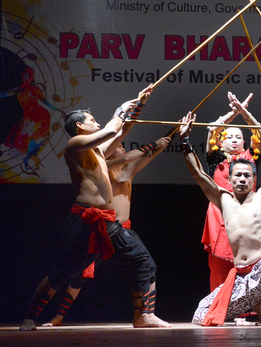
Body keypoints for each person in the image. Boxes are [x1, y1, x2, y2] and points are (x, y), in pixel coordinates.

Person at [19, 85, 170, 330]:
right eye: (92, 120)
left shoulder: (97, 151)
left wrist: (139, 104)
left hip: (109, 223)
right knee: (63, 272)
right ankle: (30, 317)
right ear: (79, 125)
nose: (97, 123)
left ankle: (143, 316)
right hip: (85, 221)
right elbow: (111, 129)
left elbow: (121, 131)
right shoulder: (75, 144)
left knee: (144, 262)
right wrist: (121, 109)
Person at [179, 112, 261, 327]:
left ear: (254, 178)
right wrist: (184, 139)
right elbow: (198, 174)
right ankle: (257, 303)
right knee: (201, 315)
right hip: (241, 277)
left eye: (247, 176)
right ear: (229, 179)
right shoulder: (223, 199)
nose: (242, 179)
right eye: (237, 175)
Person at [43, 135, 171, 326]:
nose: (123, 148)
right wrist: (154, 143)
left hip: (123, 232)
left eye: (123, 145)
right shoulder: (102, 172)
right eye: (119, 146)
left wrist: (174, 133)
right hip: (104, 230)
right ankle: (58, 316)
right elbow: (129, 157)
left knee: (145, 267)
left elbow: (149, 155)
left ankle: (144, 314)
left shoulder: (127, 171)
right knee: (78, 275)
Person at [202, 91, 261, 292]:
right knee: (220, 267)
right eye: (229, 137)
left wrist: (244, 112)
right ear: (221, 143)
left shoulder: (250, 158)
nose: (234, 140)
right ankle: (219, 304)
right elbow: (212, 129)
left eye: (239, 137)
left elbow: (259, 132)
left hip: (246, 213)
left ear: (244, 143)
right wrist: (234, 113)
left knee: (249, 264)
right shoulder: (216, 157)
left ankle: (246, 305)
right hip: (220, 214)